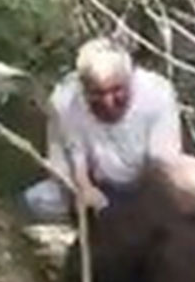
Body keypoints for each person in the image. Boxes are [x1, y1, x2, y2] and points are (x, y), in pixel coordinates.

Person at [22, 36, 183, 221]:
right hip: (92, 190)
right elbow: (61, 163)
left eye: (117, 91)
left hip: (145, 190)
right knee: (36, 200)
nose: (108, 102)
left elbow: (164, 164)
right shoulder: (65, 101)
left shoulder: (157, 96)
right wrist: (83, 190)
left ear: (130, 80)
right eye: (97, 93)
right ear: (82, 86)